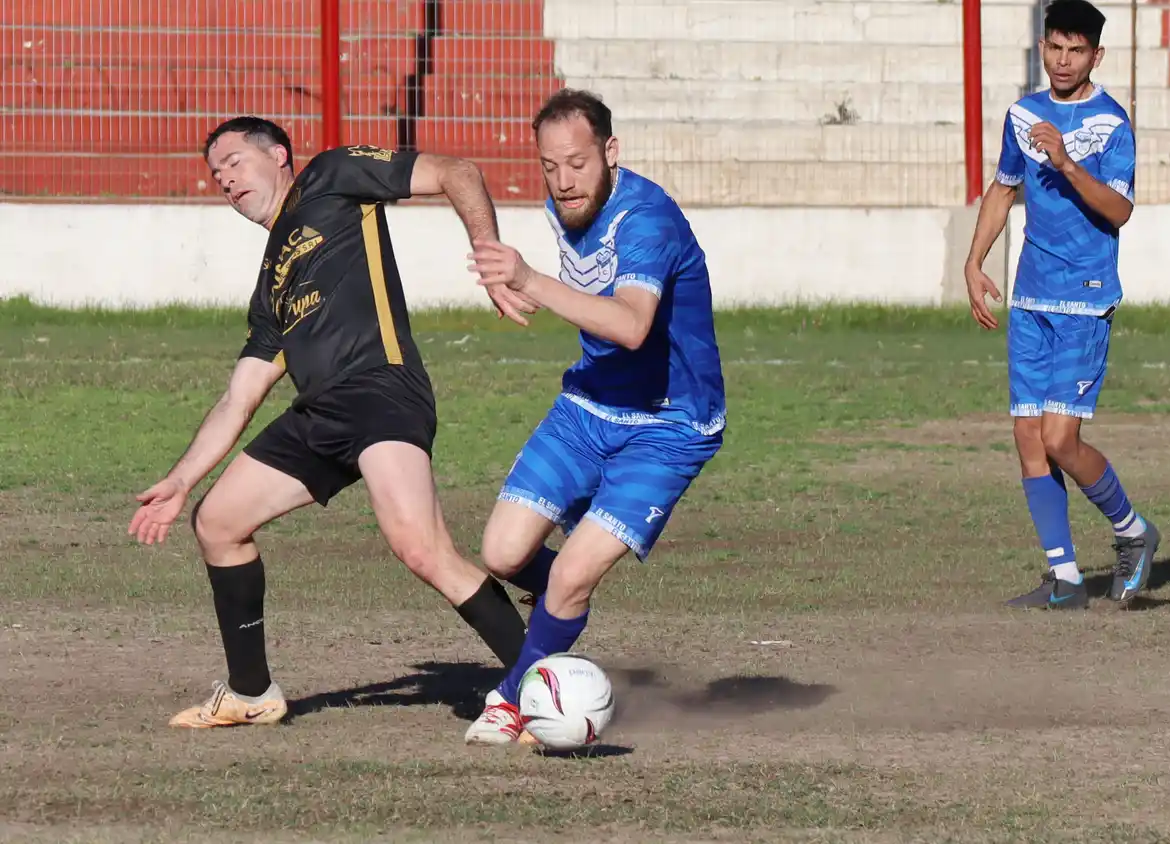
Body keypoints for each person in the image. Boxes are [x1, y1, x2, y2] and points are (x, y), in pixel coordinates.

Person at [128, 117, 536, 728]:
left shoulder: (329, 175)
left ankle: (544, 684)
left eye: (235, 162)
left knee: (421, 547)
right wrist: (181, 479)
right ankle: (251, 693)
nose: (225, 180)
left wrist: (491, 260)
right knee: (217, 521)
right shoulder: (271, 282)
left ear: (280, 156)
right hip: (320, 414)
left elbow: (459, 172)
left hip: (378, 390)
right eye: (216, 173)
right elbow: (238, 400)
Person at [460, 89, 726, 745]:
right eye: (550, 166)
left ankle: (512, 698)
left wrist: (527, 282)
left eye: (577, 163)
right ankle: (564, 606)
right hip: (588, 405)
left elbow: (634, 326)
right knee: (500, 551)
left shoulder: (646, 222)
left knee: (572, 574)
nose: (563, 180)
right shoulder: (564, 204)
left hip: (671, 425)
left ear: (610, 152)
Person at [963, 0, 1161, 609]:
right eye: (1055, 47)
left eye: (1076, 50)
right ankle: (1067, 578)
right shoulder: (1023, 114)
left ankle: (1133, 531)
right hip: (1030, 298)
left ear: (1095, 56)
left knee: (1059, 439)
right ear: (1043, 47)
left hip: (1084, 299)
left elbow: (1120, 210)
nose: (1063, 60)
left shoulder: (1110, 124)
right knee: (1027, 435)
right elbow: (1002, 190)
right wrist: (974, 263)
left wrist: (1067, 162)